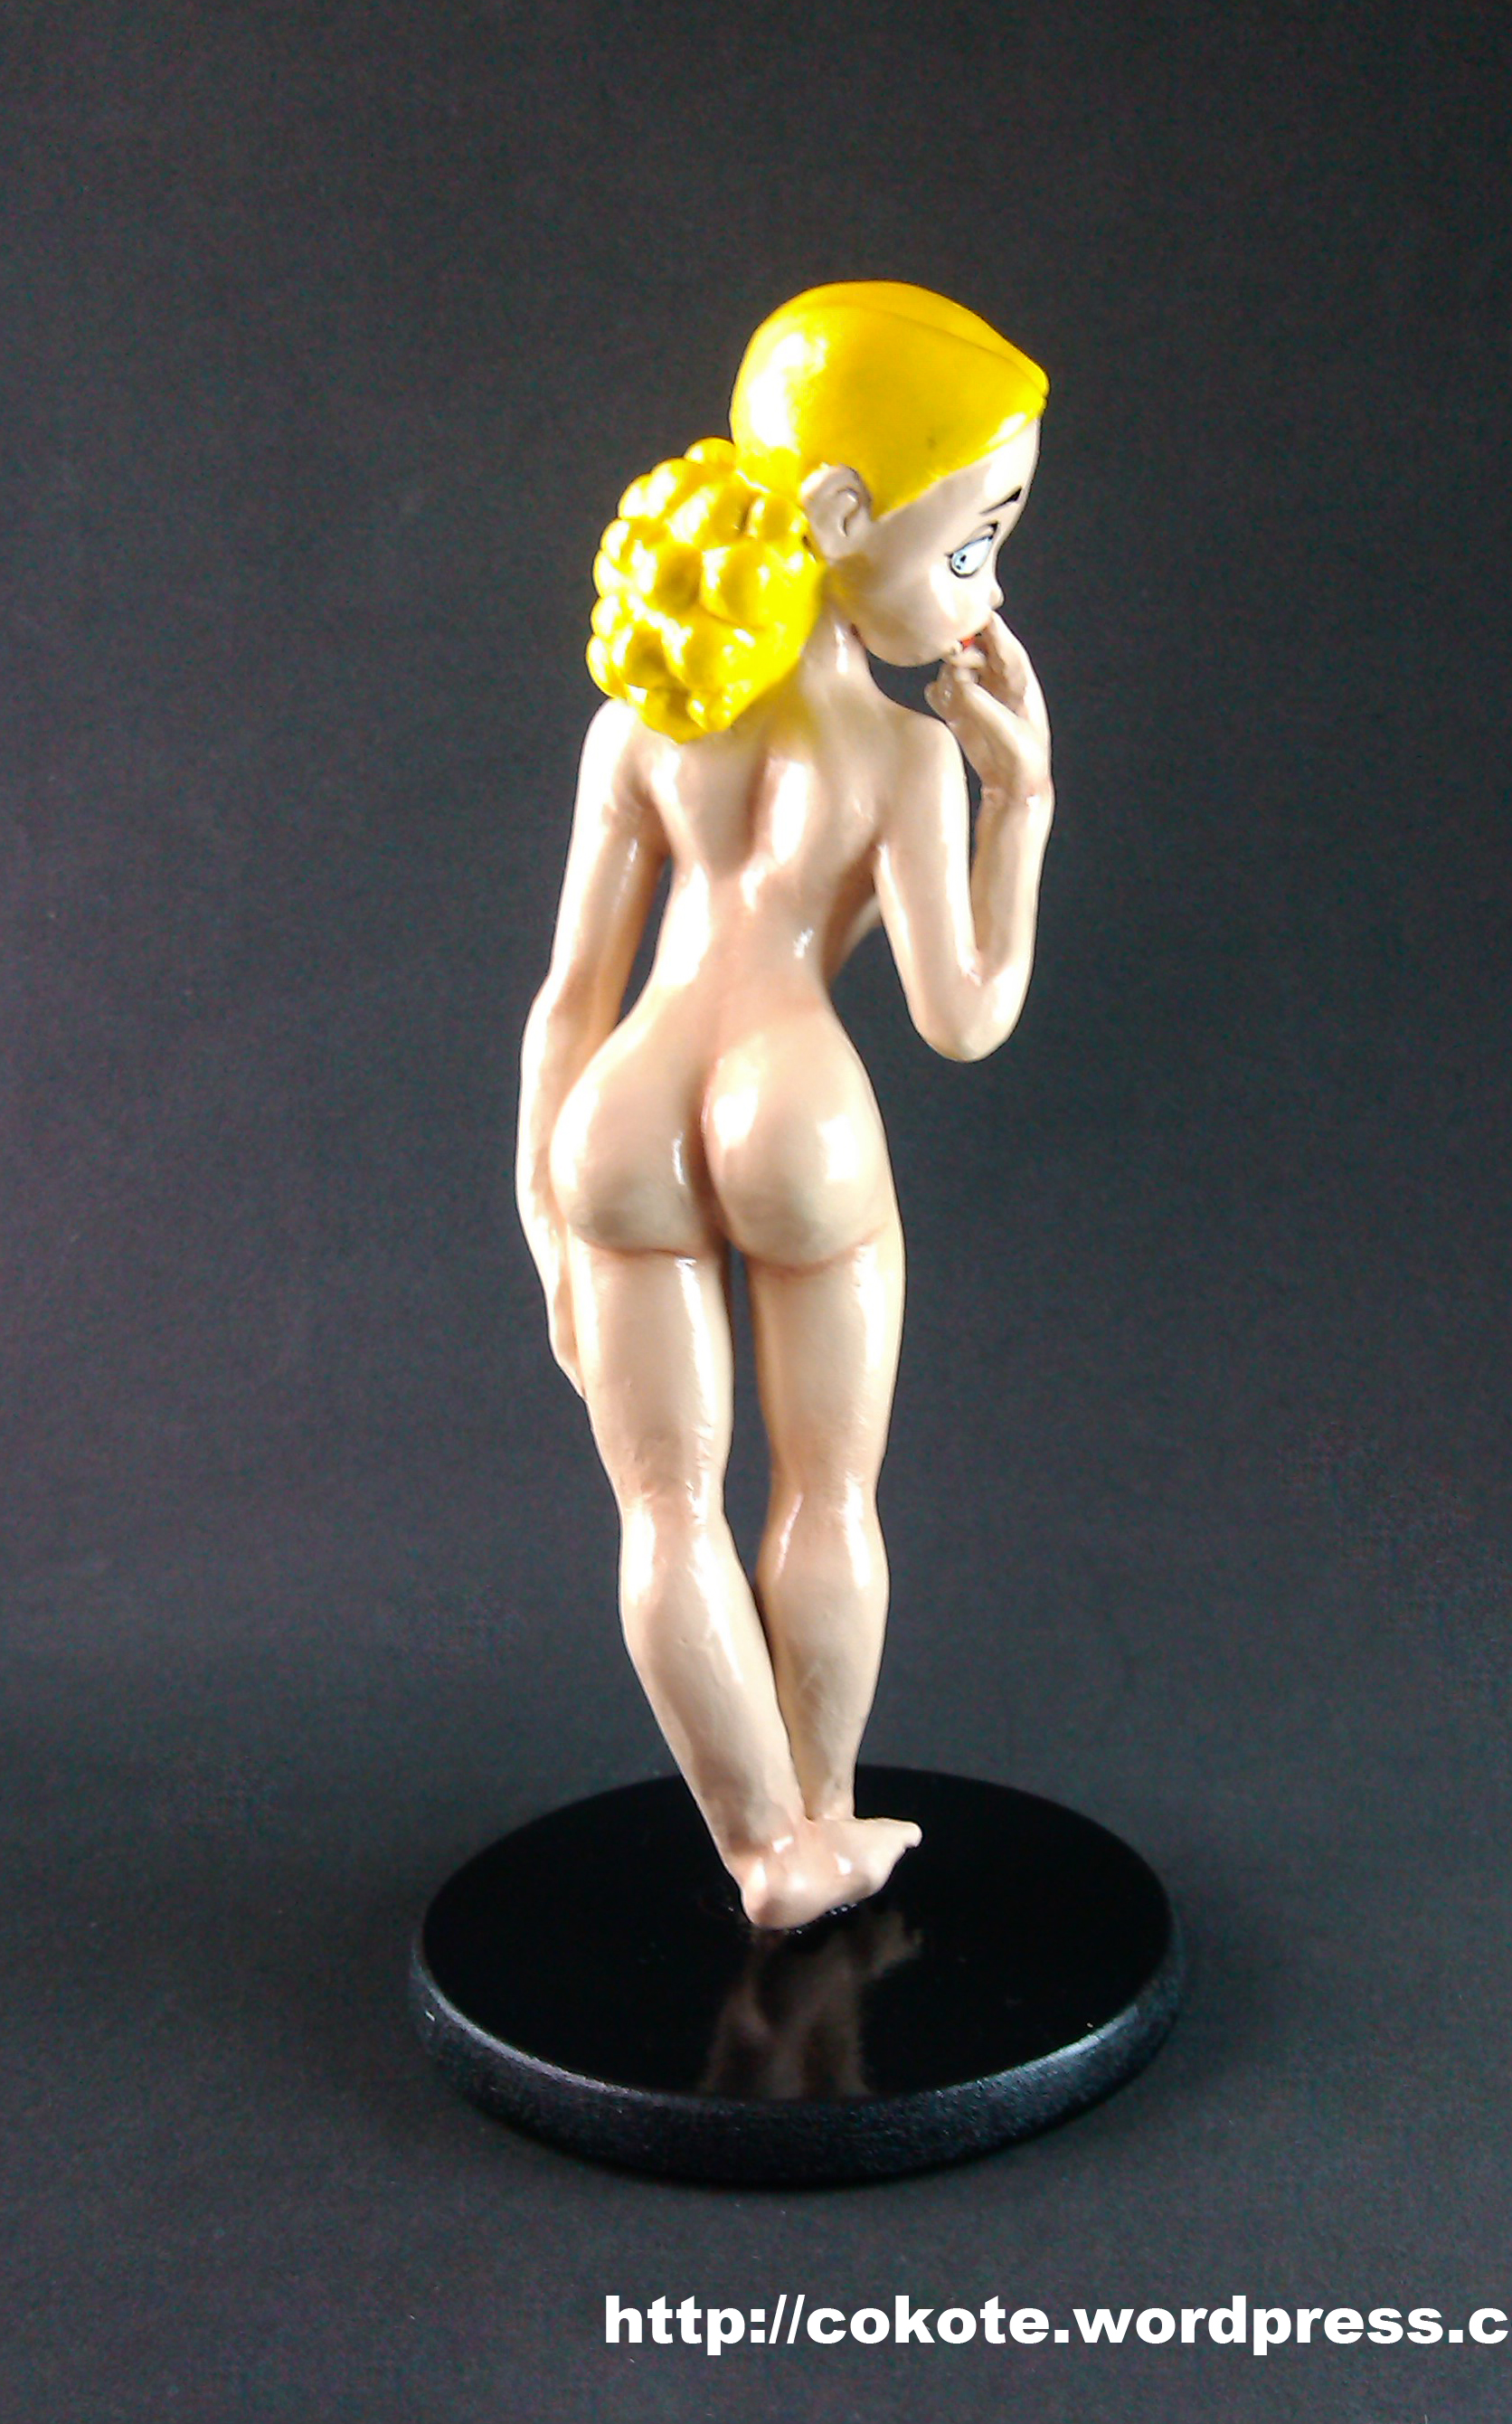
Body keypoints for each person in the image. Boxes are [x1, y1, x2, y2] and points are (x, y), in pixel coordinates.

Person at [516, 283, 1055, 1927]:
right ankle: (818, 1821)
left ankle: (762, 1848)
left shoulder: (641, 729)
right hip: (794, 1110)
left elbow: (567, 1001)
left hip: (620, 1117)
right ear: (841, 515)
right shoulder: (901, 759)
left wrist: (544, 1222)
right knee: (826, 1496)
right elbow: (964, 1016)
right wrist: (1023, 801)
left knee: (662, 1508)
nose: (988, 590)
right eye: (971, 545)